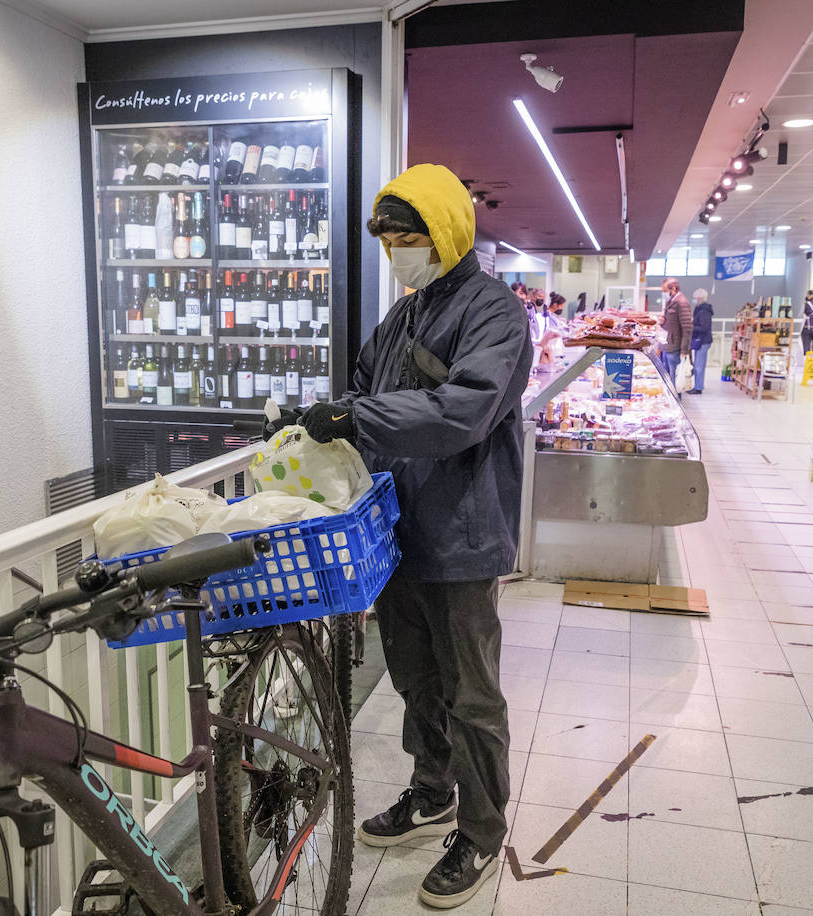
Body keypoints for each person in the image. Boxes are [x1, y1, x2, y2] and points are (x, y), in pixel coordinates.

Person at [278, 163, 531, 909]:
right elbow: (364, 394)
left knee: (470, 692)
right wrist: (319, 421)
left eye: (408, 239)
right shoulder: (402, 317)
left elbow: (466, 409)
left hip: (461, 532)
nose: (398, 255)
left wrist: (361, 417)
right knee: (416, 678)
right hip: (394, 533)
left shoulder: (494, 313)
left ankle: (483, 830)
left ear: (445, 233)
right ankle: (432, 793)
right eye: (389, 242)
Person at [659, 278, 692, 391]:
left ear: (673, 288)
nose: (663, 293)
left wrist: (684, 350)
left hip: (674, 347)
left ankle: (675, 403)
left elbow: (687, 328)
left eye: (664, 290)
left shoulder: (682, 303)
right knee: (667, 377)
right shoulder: (671, 301)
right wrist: (663, 321)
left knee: (674, 379)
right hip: (667, 345)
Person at [685, 288, 714, 394]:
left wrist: (691, 326)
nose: (694, 300)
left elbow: (704, 327)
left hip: (703, 341)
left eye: (695, 298)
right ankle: (698, 385)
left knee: (699, 365)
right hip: (701, 340)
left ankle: (698, 388)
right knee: (698, 364)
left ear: (700, 298)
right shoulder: (700, 309)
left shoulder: (704, 311)